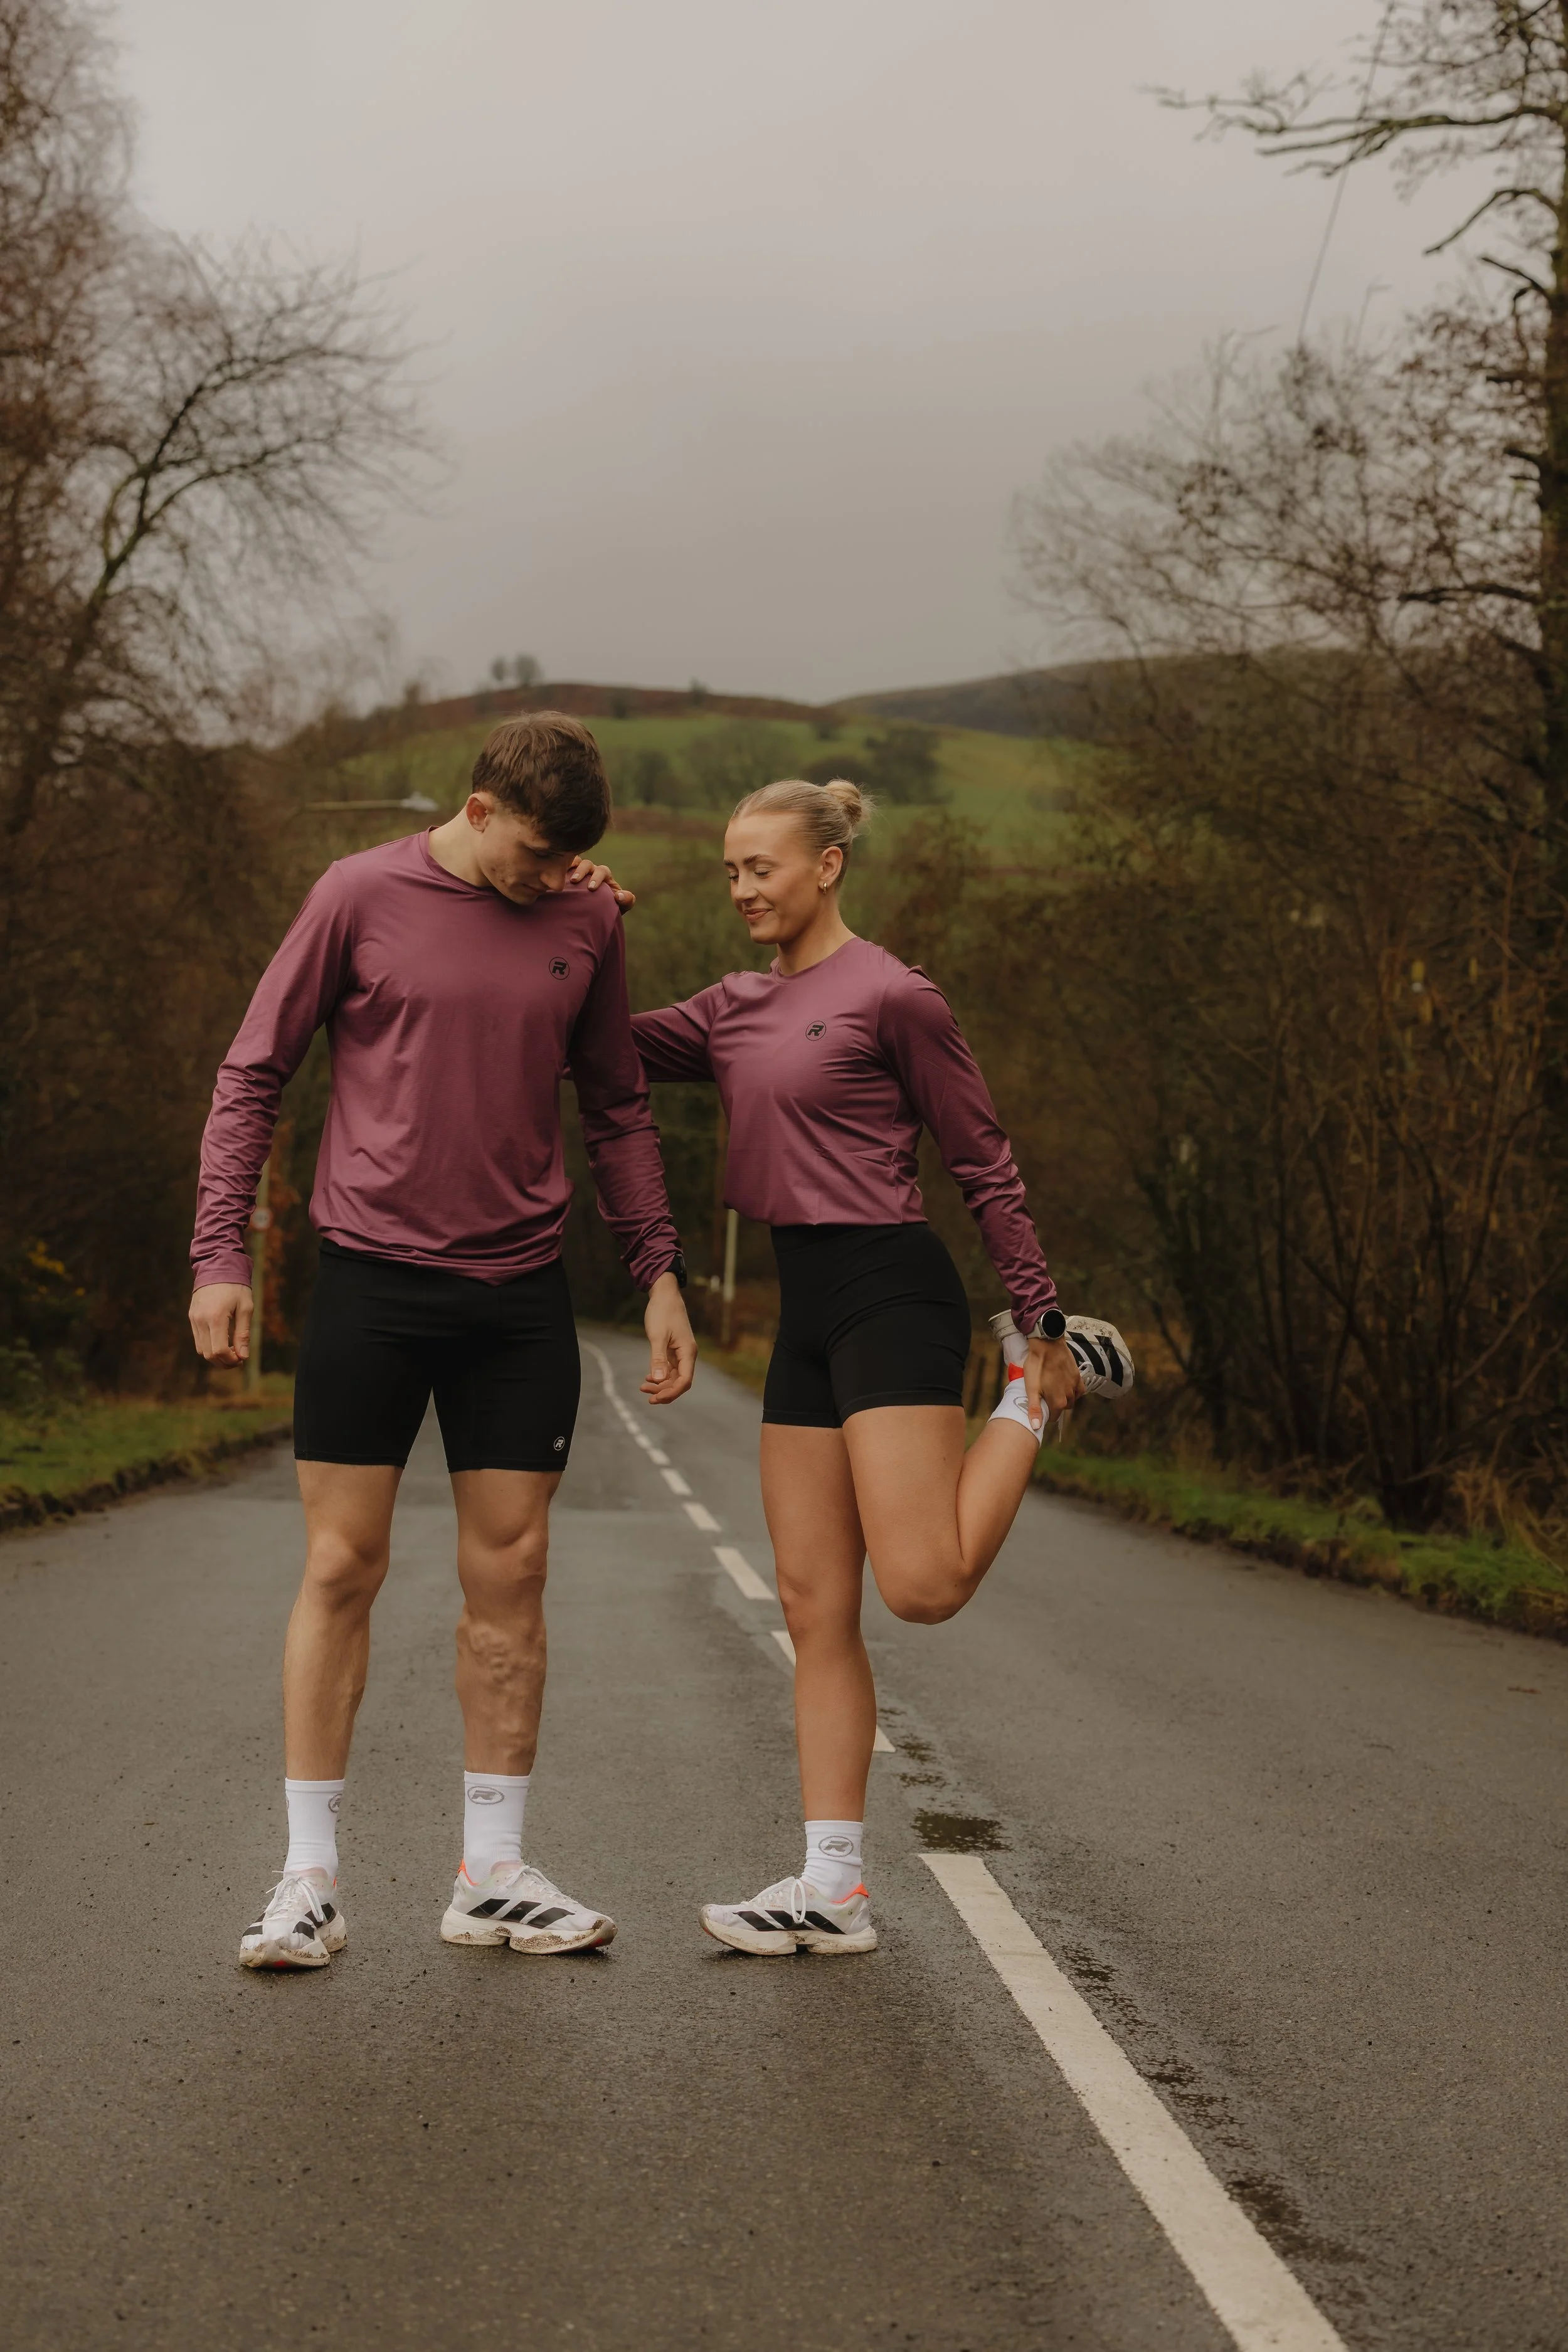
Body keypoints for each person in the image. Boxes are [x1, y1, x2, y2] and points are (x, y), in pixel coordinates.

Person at [189, 712, 696, 1971]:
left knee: (511, 1576)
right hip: (369, 1281)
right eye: (528, 853)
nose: (541, 879)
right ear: (477, 809)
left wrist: (660, 1273)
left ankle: (493, 1872)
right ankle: (308, 1878)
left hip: (516, 1297)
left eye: (561, 860)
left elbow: (619, 1108)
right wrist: (216, 1255)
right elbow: (255, 1070)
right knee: (341, 1566)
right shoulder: (356, 896)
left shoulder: (588, 918)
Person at [627, 778, 1131, 1957]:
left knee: (923, 1584)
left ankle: (1030, 1386)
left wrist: (1041, 1314)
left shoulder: (896, 995)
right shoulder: (731, 1006)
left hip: (893, 1294)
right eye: (730, 870)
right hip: (804, 1308)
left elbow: (984, 1159)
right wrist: (583, 919)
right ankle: (834, 1888)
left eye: (762, 866)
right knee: (814, 1610)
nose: (742, 887)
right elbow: (597, 1048)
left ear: (828, 865)